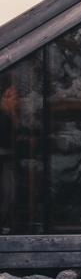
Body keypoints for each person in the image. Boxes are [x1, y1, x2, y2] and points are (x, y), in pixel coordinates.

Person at [0, 85, 20, 234]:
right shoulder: (3, 116)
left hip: (9, 159)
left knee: (9, 193)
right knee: (8, 193)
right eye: (14, 98)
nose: (17, 101)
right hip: (5, 160)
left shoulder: (10, 115)